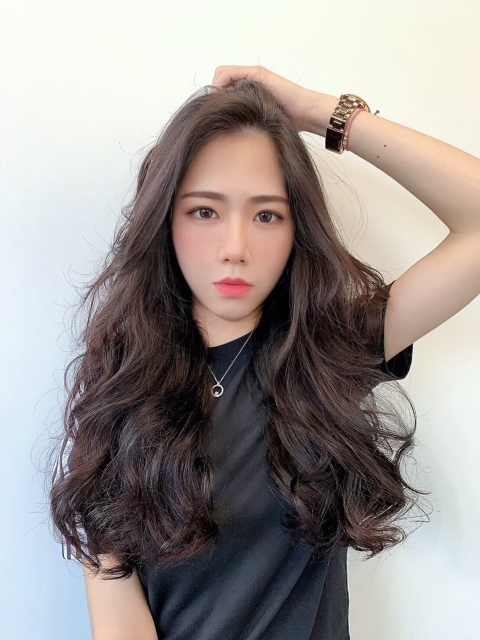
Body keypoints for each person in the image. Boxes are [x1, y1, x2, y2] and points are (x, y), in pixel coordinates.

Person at [49, 65, 480, 640]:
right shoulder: (118, 391)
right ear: (165, 221)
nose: (236, 247)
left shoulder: (326, 355)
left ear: (297, 229)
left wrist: (317, 112)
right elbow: (120, 621)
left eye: (266, 215)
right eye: (205, 211)